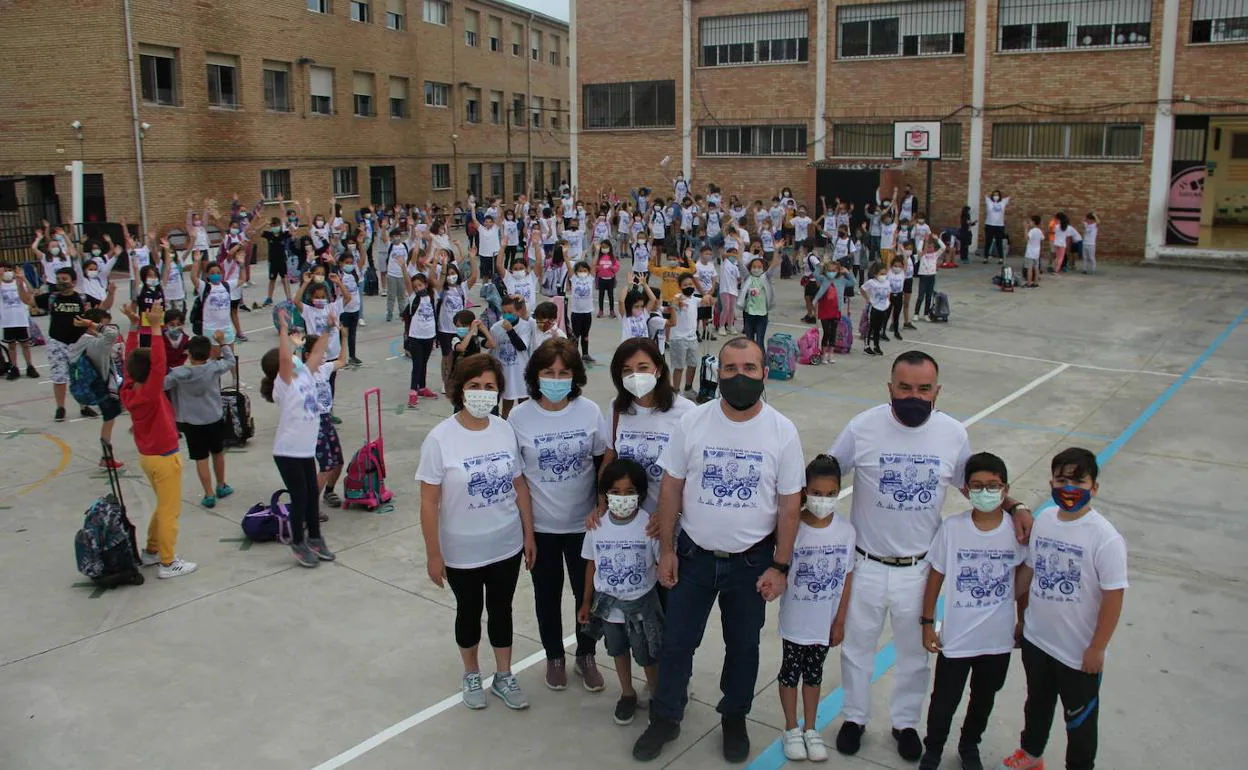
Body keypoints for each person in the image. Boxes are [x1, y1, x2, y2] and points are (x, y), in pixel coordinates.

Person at [826, 351, 1032, 762]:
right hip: (865, 562)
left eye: (923, 389)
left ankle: (905, 723)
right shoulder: (862, 427)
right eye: (905, 388)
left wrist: (1016, 506)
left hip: (919, 569)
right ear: (890, 388)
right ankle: (855, 716)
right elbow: (827, 473)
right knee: (856, 648)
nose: (914, 396)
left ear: (937, 391)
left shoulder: (953, 434)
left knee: (915, 656)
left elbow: (973, 486)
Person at [633, 338, 803, 764]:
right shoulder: (694, 422)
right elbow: (671, 487)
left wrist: (780, 565)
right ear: (717, 373)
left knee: (743, 647)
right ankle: (666, 716)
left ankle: (734, 717)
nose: (739, 376)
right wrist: (667, 549)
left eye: (749, 367)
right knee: (677, 644)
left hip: (751, 563)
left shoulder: (782, 431)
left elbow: (789, 505)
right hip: (692, 557)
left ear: (765, 373)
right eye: (729, 368)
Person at [417, 353, 537, 710]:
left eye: (489, 387)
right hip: (462, 551)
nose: (482, 393)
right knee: (468, 611)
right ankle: (471, 672)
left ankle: (503, 675)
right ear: (459, 390)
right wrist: (434, 554)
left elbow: (519, 485)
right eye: (474, 386)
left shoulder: (504, 430)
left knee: (502, 610)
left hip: (506, 544)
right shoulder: (440, 439)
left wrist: (528, 534)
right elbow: (428, 502)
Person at [999, 448, 1127, 770]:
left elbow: (1114, 598)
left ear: (1094, 487)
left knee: (1080, 721)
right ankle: (1030, 755)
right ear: (1051, 482)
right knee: (1037, 704)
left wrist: (1097, 648)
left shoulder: (1105, 538)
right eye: (1061, 479)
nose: (1069, 487)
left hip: (1077, 652)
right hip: (1038, 640)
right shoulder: (1044, 520)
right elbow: (1029, 571)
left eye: (1078, 480)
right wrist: (1020, 618)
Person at [508, 338, 609, 692]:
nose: (556, 378)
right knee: (546, 595)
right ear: (536, 376)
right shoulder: (518, 416)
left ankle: (586, 653)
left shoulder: (589, 411)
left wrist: (600, 506)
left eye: (563, 372)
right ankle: (554, 656)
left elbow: (601, 464)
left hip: (584, 527)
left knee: (588, 594)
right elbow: (518, 479)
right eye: (548, 372)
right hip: (543, 528)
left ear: (575, 376)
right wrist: (528, 534)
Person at [919, 452, 1027, 770]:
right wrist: (927, 623)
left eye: (992, 485)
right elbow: (935, 576)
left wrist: (1022, 621)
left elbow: (1023, 580)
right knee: (943, 700)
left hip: (997, 639)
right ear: (965, 490)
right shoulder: (953, 528)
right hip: (957, 637)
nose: (985, 491)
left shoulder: (1016, 533)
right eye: (977, 485)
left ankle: (969, 745)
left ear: (1005, 489)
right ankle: (934, 748)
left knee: (983, 699)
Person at [778, 454, 856, 763]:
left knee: (814, 675)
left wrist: (840, 621)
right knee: (790, 674)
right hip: (796, 620)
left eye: (830, 494)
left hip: (825, 623)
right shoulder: (791, 528)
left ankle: (811, 728)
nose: (823, 501)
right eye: (816, 494)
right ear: (804, 492)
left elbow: (847, 576)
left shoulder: (846, 532)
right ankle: (790, 727)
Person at [577, 458, 663, 727]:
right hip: (609, 607)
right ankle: (627, 692)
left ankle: (657, 695)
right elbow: (592, 564)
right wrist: (586, 602)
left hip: (641, 606)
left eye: (629, 493)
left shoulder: (650, 526)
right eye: (615, 493)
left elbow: (661, 563)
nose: (622, 499)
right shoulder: (596, 526)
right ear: (605, 495)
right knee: (617, 650)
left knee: (647, 653)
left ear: (640, 494)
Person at [117, 301, 195, 578]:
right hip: (164, 456)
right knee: (169, 511)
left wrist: (136, 326)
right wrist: (156, 326)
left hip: (148, 456)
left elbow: (131, 357)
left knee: (162, 505)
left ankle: (151, 550)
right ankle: (167, 561)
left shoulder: (128, 387)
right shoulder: (150, 391)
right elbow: (159, 362)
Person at [259, 310, 336, 568]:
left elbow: (315, 353)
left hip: (303, 450)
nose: (298, 361)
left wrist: (328, 328)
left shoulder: (305, 376)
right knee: (300, 496)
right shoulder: (284, 384)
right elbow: (283, 357)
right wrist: (283, 331)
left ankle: (315, 538)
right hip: (288, 450)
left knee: (311, 493)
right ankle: (298, 542)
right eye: (293, 359)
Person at [601, 338, 696, 515]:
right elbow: (609, 459)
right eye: (627, 370)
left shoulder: (686, 411)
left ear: (658, 370)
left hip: (672, 519)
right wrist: (601, 505)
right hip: (629, 518)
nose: (635, 375)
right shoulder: (617, 408)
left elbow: (693, 474)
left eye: (643, 367)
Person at [164, 332, 235, 508]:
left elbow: (163, 384)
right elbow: (231, 361)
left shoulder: (178, 373)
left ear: (189, 353)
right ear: (209, 352)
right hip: (213, 416)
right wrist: (223, 343)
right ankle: (221, 485)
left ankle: (208, 494)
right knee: (218, 453)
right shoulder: (213, 367)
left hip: (191, 421)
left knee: (200, 458)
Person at [69, 307, 125, 469]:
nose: (108, 327)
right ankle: (106, 456)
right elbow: (111, 334)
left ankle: (106, 456)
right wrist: (95, 325)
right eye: (104, 324)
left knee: (110, 418)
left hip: (91, 384)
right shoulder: (95, 342)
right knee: (109, 418)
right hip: (102, 386)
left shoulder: (80, 342)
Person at [489, 295, 534, 418]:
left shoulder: (525, 326)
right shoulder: (496, 328)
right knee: (506, 407)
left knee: (523, 406)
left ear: (518, 312)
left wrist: (510, 330)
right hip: (505, 373)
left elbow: (521, 346)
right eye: (504, 312)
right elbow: (492, 349)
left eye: (510, 312)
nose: (506, 315)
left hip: (521, 374)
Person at [668, 273, 711, 393]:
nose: (689, 286)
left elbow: (708, 301)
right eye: (685, 285)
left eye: (691, 284)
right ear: (680, 286)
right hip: (678, 339)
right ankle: (675, 390)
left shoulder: (695, 300)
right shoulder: (678, 298)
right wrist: (676, 303)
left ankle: (688, 387)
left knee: (693, 364)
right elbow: (673, 303)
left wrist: (705, 295)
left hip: (692, 338)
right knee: (679, 367)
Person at [1, 269, 38, 380]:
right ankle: (14, 367)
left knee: (25, 344)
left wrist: (23, 278)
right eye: (4, 270)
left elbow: (31, 291)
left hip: (21, 318)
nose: (6, 272)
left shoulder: (18, 282)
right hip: (7, 320)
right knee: (11, 345)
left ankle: (30, 366)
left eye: (8, 270)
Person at [740, 255, 775, 351]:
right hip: (749, 314)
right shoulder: (748, 278)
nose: (756, 269)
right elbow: (740, 263)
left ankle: (761, 363)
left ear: (763, 269)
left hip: (762, 315)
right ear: (750, 268)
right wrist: (741, 245)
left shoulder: (765, 278)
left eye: (759, 267)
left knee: (760, 342)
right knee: (749, 342)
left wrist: (776, 250)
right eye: (754, 267)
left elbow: (774, 265)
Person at [565, 260, 596, 363]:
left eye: (585, 270)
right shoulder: (574, 279)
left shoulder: (590, 278)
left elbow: (594, 264)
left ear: (588, 271)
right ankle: (574, 355)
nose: (582, 272)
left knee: (585, 334)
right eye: (580, 270)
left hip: (587, 313)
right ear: (576, 272)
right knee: (575, 335)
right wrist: (565, 255)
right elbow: (569, 268)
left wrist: (596, 252)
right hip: (576, 313)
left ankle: (585, 354)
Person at [861, 261, 891, 357]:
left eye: (885, 273)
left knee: (879, 328)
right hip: (874, 307)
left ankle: (876, 346)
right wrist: (867, 299)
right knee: (871, 327)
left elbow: (889, 291)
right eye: (881, 274)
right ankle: (867, 346)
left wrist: (888, 301)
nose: (883, 276)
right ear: (875, 273)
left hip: (883, 307)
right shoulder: (872, 282)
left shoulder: (887, 282)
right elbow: (862, 289)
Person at [718, 248, 740, 335]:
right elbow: (723, 254)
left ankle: (730, 326)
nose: (734, 255)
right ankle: (721, 326)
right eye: (732, 253)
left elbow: (738, 278)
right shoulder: (725, 262)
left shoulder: (735, 266)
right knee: (726, 308)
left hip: (733, 290)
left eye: (736, 253)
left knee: (731, 309)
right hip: (725, 289)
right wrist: (733, 254)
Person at [984, 190, 1010, 263]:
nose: (996, 196)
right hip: (989, 224)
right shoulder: (989, 201)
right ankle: (985, 257)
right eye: (994, 195)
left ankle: (1001, 258)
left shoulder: (1003, 202)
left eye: (997, 195)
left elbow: (1010, 194)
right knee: (988, 241)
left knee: (999, 242)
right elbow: (985, 194)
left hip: (999, 225)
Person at [1023, 215, 1043, 289]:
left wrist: (1025, 229)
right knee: (1036, 268)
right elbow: (1042, 239)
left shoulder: (1032, 231)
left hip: (1030, 252)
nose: (1029, 223)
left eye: (1030, 221)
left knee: (1030, 268)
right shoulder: (1039, 231)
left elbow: (1026, 239)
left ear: (1034, 222)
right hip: (1036, 252)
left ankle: (1029, 283)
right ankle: (1036, 282)